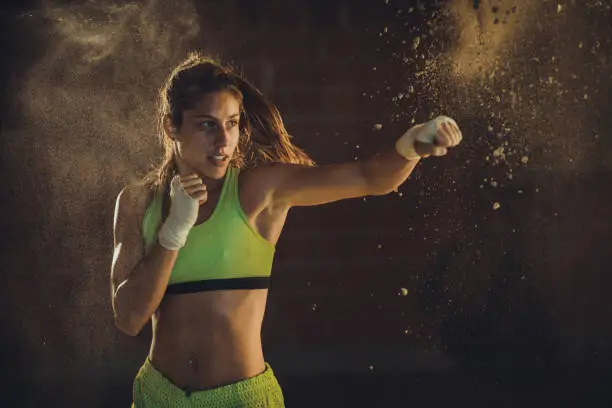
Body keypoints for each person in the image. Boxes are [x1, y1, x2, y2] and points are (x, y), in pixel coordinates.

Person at [111, 52, 463, 407]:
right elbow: (128, 318)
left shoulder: (259, 191)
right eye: (207, 125)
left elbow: (367, 177)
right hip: (158, 398)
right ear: (172, 126)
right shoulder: (138, 202)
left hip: (241, 401)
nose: (223, 142)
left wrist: (412, 145)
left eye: (232, 123)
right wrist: (173, 231)